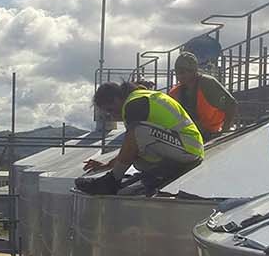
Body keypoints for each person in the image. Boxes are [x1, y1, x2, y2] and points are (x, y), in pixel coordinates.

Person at [74, 80, 205, 194]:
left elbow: (134, 139)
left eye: (110, 110)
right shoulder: (139, 98)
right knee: (138, 159)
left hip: (189, 147)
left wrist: (114, 172)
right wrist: (108, 164)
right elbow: (131, 148)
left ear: (116, 99)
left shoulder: (134, 104)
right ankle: (161, 172)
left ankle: (111, 181)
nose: (111, 116)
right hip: (182, 146)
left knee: (137, 131)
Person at [167, 50, 237, 140]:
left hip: (213, 135)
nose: (180, 76)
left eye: (184, 72)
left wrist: (223, 133)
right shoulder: (175, 93)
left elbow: (231, 104)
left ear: (194, 71)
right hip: (189, 136)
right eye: (178, 73)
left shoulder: (207, 84)